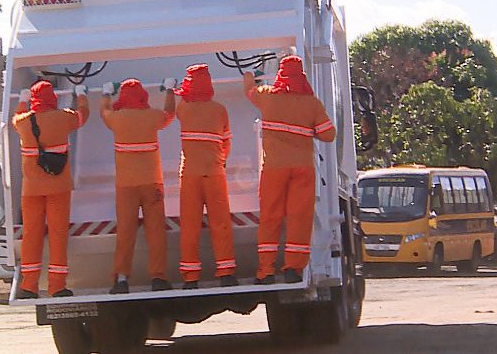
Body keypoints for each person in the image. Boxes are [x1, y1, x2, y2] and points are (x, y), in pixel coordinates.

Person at [243, 54, 336, 285]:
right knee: (299, 218)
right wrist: (307, 131)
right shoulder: (312, 103)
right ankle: (293, 270)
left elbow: (249, 90)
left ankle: (265, 272)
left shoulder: (268, 97)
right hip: (303, 168)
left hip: (274, 168)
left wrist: (251, 77)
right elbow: (329, 134)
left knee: (270, 218)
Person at [12, 81, 90, 298]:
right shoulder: (63, 118)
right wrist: (81, 94)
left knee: (31, 236)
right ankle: (57, 287)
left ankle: (28, 286)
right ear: (53, 98)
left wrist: (21, 100)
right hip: (59, 188)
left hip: (31, 190)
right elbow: (83, 115)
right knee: (57, 236)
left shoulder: (24, 122)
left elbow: (14, 119)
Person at [101, 78, 176, 293]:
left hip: (126, 186)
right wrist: (170, 90)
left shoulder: (117, 119)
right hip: (152, 184)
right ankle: (158, 278)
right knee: (156, 231)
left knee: (125, 232)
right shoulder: (152, 117)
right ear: (143, 95)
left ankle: (122, 279)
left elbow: (103, 112)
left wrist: (106, 93)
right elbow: (169, 113)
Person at [174, 64, 237, 289]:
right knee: (220, 223)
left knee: (190, 225)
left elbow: (173, 106)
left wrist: (172, 89)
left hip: (189, 174)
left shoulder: (183, 108)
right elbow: (226, 142)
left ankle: (191, 277)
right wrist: (219, 160)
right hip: (214, 173)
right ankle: (226, 272)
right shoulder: (220, 110)